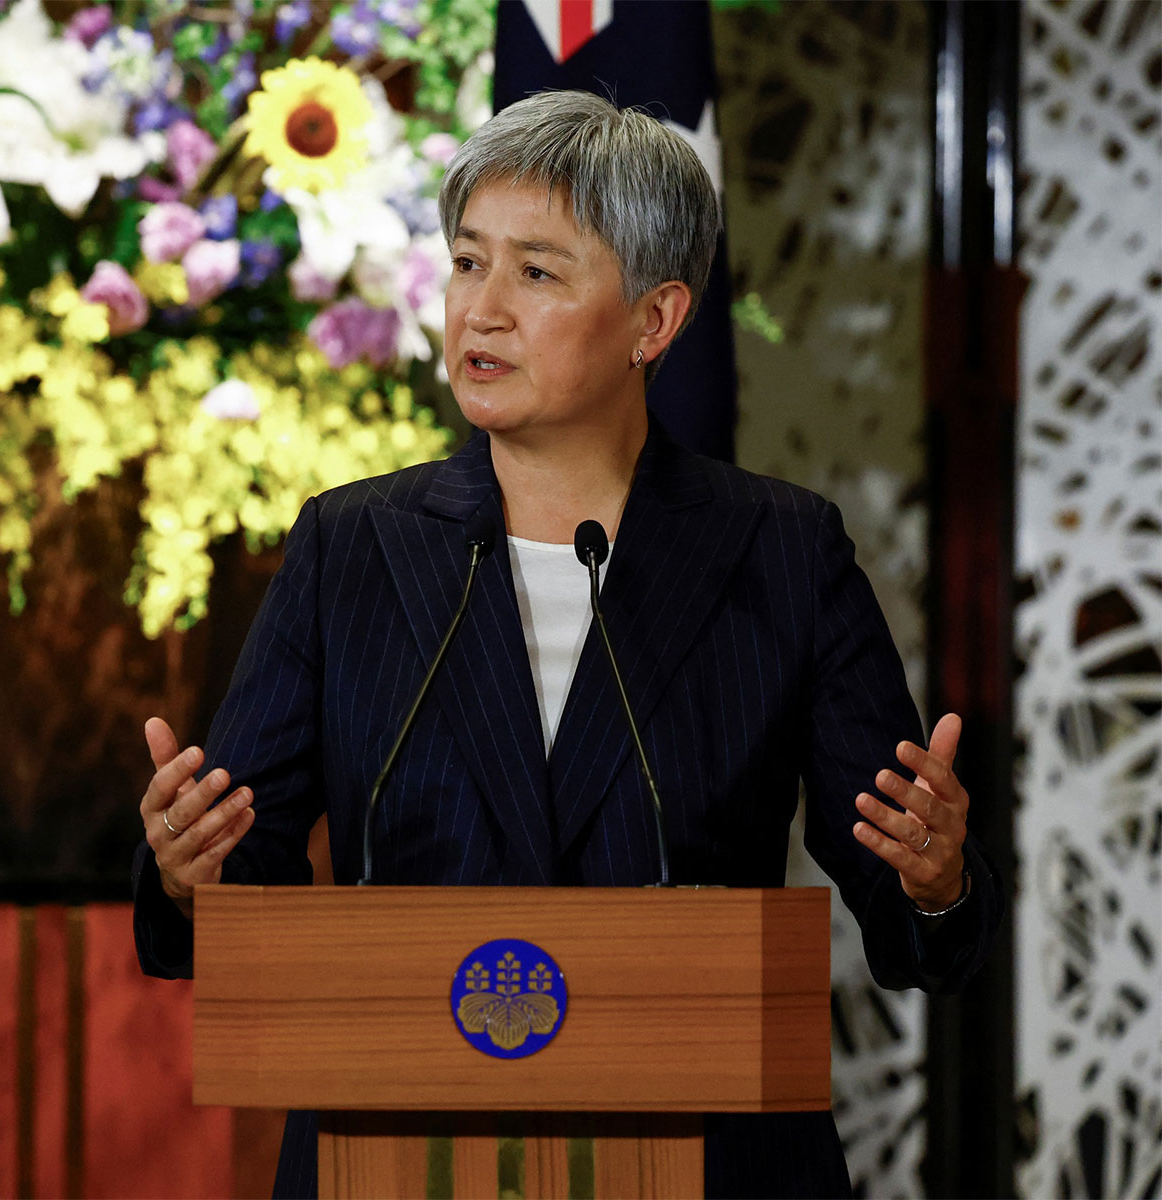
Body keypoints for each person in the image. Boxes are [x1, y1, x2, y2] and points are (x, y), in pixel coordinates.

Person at [131, 89, 1002, 1199]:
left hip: (712, 1161)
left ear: (654, 320)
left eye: (537, 273)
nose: (480, 311)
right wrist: (187, 870)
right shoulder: (351, 550)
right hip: (401, 1159)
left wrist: (931, 880)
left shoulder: (778, 553)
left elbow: (915, 921)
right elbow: (234, 891)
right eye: (466, 263)